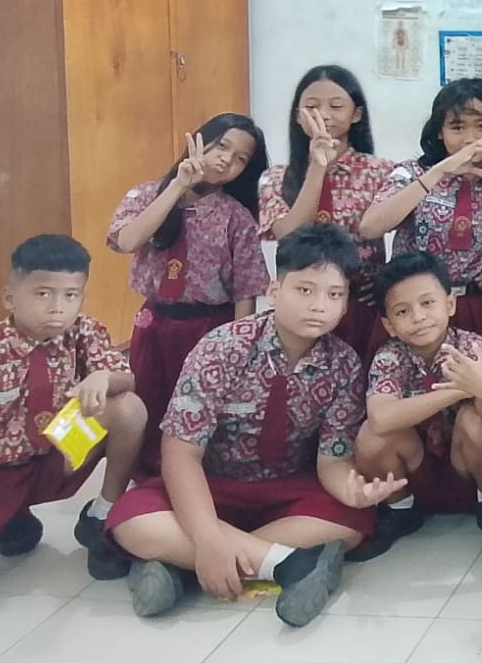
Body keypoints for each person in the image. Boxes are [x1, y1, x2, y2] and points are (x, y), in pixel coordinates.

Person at [107, 225, 404, 627]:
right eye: (305, 290)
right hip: (212, 484)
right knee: (131, 518)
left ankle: (180, 566)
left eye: (335, 295)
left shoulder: (345, 364)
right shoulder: (222, 347)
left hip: (284, 490)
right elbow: (180, 454)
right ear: (274, 291)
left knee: (352, 522)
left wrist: (351, 489)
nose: (319, 306)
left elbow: (332, 460)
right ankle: (288, 565)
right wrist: (208, 536)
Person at [107, 112, 268, 472]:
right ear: (199, 140)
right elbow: (127, 240)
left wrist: (238, 349)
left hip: (208, 328)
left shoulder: (236, 217)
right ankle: (147, 479)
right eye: (221, 146)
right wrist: (177, 187)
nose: (226, 159)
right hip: (155, 322)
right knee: (149, 400)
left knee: (199, 409)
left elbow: (246, 291)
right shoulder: (146, 194)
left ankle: (192, 476)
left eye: (240, 158)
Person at [0, 234, 146, 580]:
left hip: (59, 454)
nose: (58, 307)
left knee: (128, 408)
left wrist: (104, 377)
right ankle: (14, 519)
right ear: (10, 298)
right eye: (43, 294)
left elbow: (126, 379)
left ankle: (101, 516)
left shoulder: (83, 331)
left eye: (70, 295)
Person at [355, 252, 482, 558]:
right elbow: (381, 418)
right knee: (370, 436)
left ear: (450, 304)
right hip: (418, 465)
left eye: (427, 303)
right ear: (388, 324)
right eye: (402, 311)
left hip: (467, 464)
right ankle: (401, 508)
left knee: (476, 421)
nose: (418, 317)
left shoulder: (471, 346)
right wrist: (459, 390)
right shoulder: (390, 355)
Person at [359, 79, 482, 336]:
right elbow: (370, 227)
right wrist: (439, 171)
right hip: (413, 310)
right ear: (440, 131)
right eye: (457, 127)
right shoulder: (411, 173)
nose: (470, 138)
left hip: (476, 310)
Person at [257, 65, 393, 359]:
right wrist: (318, 166)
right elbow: (290, 235)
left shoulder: (381, 172)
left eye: (336, 106)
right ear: (297, 115)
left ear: (356, 114)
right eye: (312, 106)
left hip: (362, 307)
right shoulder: (276, 177)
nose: (324, 115)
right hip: (300, 306)